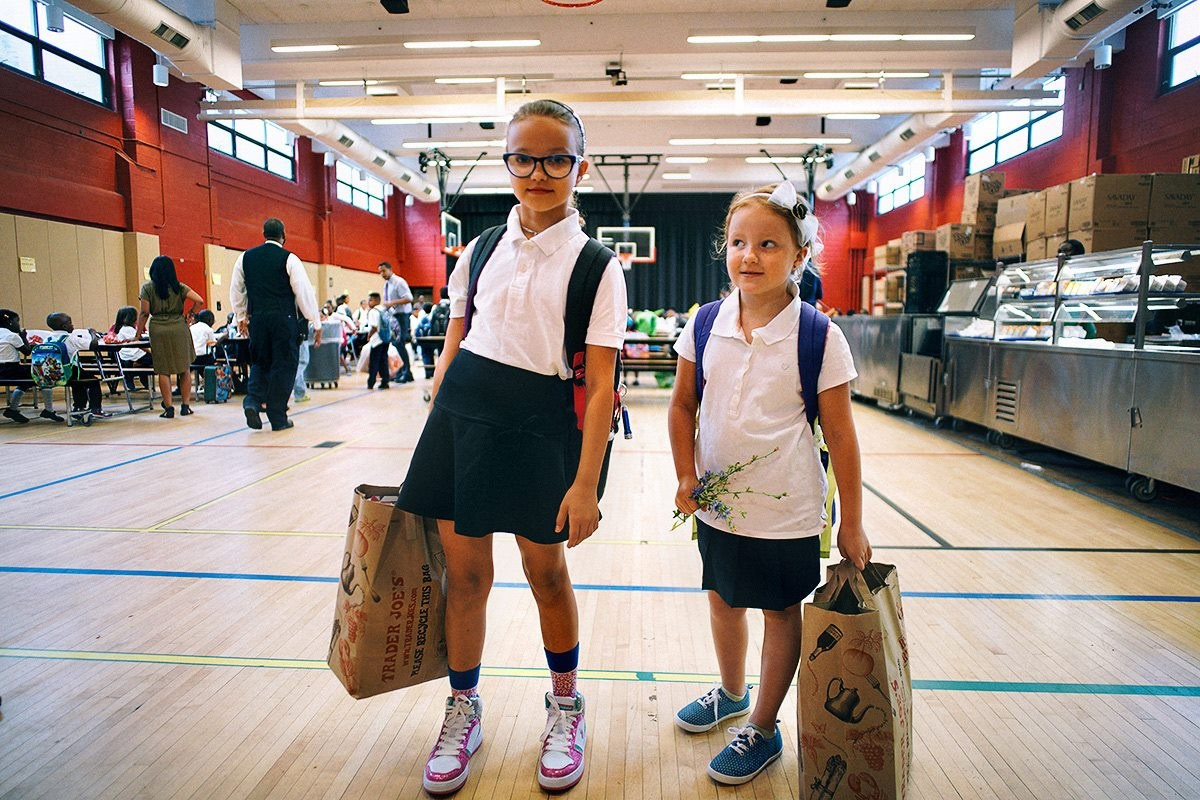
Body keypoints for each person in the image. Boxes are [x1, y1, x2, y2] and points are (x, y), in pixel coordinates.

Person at [395, 99, 626, 796]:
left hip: (540, 426)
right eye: (524, 158)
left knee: (545, 574)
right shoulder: (480, 248)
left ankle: (566, 706)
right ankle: (463, 708)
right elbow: (456, 339)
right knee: (465, 579)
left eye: (556, 159)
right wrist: (437, 411)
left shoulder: (597, 266)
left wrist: (585, 483)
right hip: (462, 417)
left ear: (581, 168)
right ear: (507, 164)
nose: (539, 172)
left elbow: (602, 386)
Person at [667, 181, 872, 786]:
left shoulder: (818, 336)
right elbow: (681, 406)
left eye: (768, 245)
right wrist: (685, 474)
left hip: (788, 512)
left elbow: (842, 436)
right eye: (738, 243)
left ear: (800, 256)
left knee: (780, 614)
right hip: (719, 506)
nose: (749, 256)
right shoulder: (704, 324)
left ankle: (763, 725)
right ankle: (732, 693)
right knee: (722, 599)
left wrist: (852, 521)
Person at [230, 217, 322, 431]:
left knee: (260, 363)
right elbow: (303, 292)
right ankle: (277, 416)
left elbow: (236, 289)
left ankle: (252, 401)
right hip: (283, 320)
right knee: (284, 365)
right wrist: (316, 322)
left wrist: (241, 316)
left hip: (258, 319)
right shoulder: (289, 258)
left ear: (264, 234)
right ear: (284, 235)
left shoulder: (245, 257)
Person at [135, 256, 204, 419]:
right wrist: (191, 313)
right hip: (179, 327)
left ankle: (169, 408)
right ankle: (185, 406)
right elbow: (199, 300)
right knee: (184, 368)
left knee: (163, 370)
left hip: (158, 328)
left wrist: (137, 335)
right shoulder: (179, 287)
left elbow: (144, 312)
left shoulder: (147, 288)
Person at [45, 311, 107, 420]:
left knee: (78, 382)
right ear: (64, 326)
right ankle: (96, 409)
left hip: (50, 373)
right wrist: (93, 333)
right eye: (70, 323)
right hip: (68, 372)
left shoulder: (47, 339)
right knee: (93, 381)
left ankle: (79, 407)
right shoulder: (70, 338)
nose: (72, 325)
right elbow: (93, 345)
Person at [377, 260, 414, 383]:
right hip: (393, 316)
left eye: (384, 271)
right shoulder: (386, 284)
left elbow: (409, 298)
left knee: (399, 343)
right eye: (380, 272)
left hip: (402, 316)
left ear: (390, 269)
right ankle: (403, 370)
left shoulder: (399, 282)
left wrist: (392, 303)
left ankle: (407, 372)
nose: (382, 274)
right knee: (396, 343)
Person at [363, 292, 389, 390]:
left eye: (370, 300)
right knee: (383, 361)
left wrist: (369, 335)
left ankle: (371, 382)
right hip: (385, 338)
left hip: (377, 340)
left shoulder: (373, 311)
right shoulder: (384, 309)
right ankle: (385, 381)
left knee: (374, 362)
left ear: (376, 301)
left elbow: (374, 327)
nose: (369, 302)